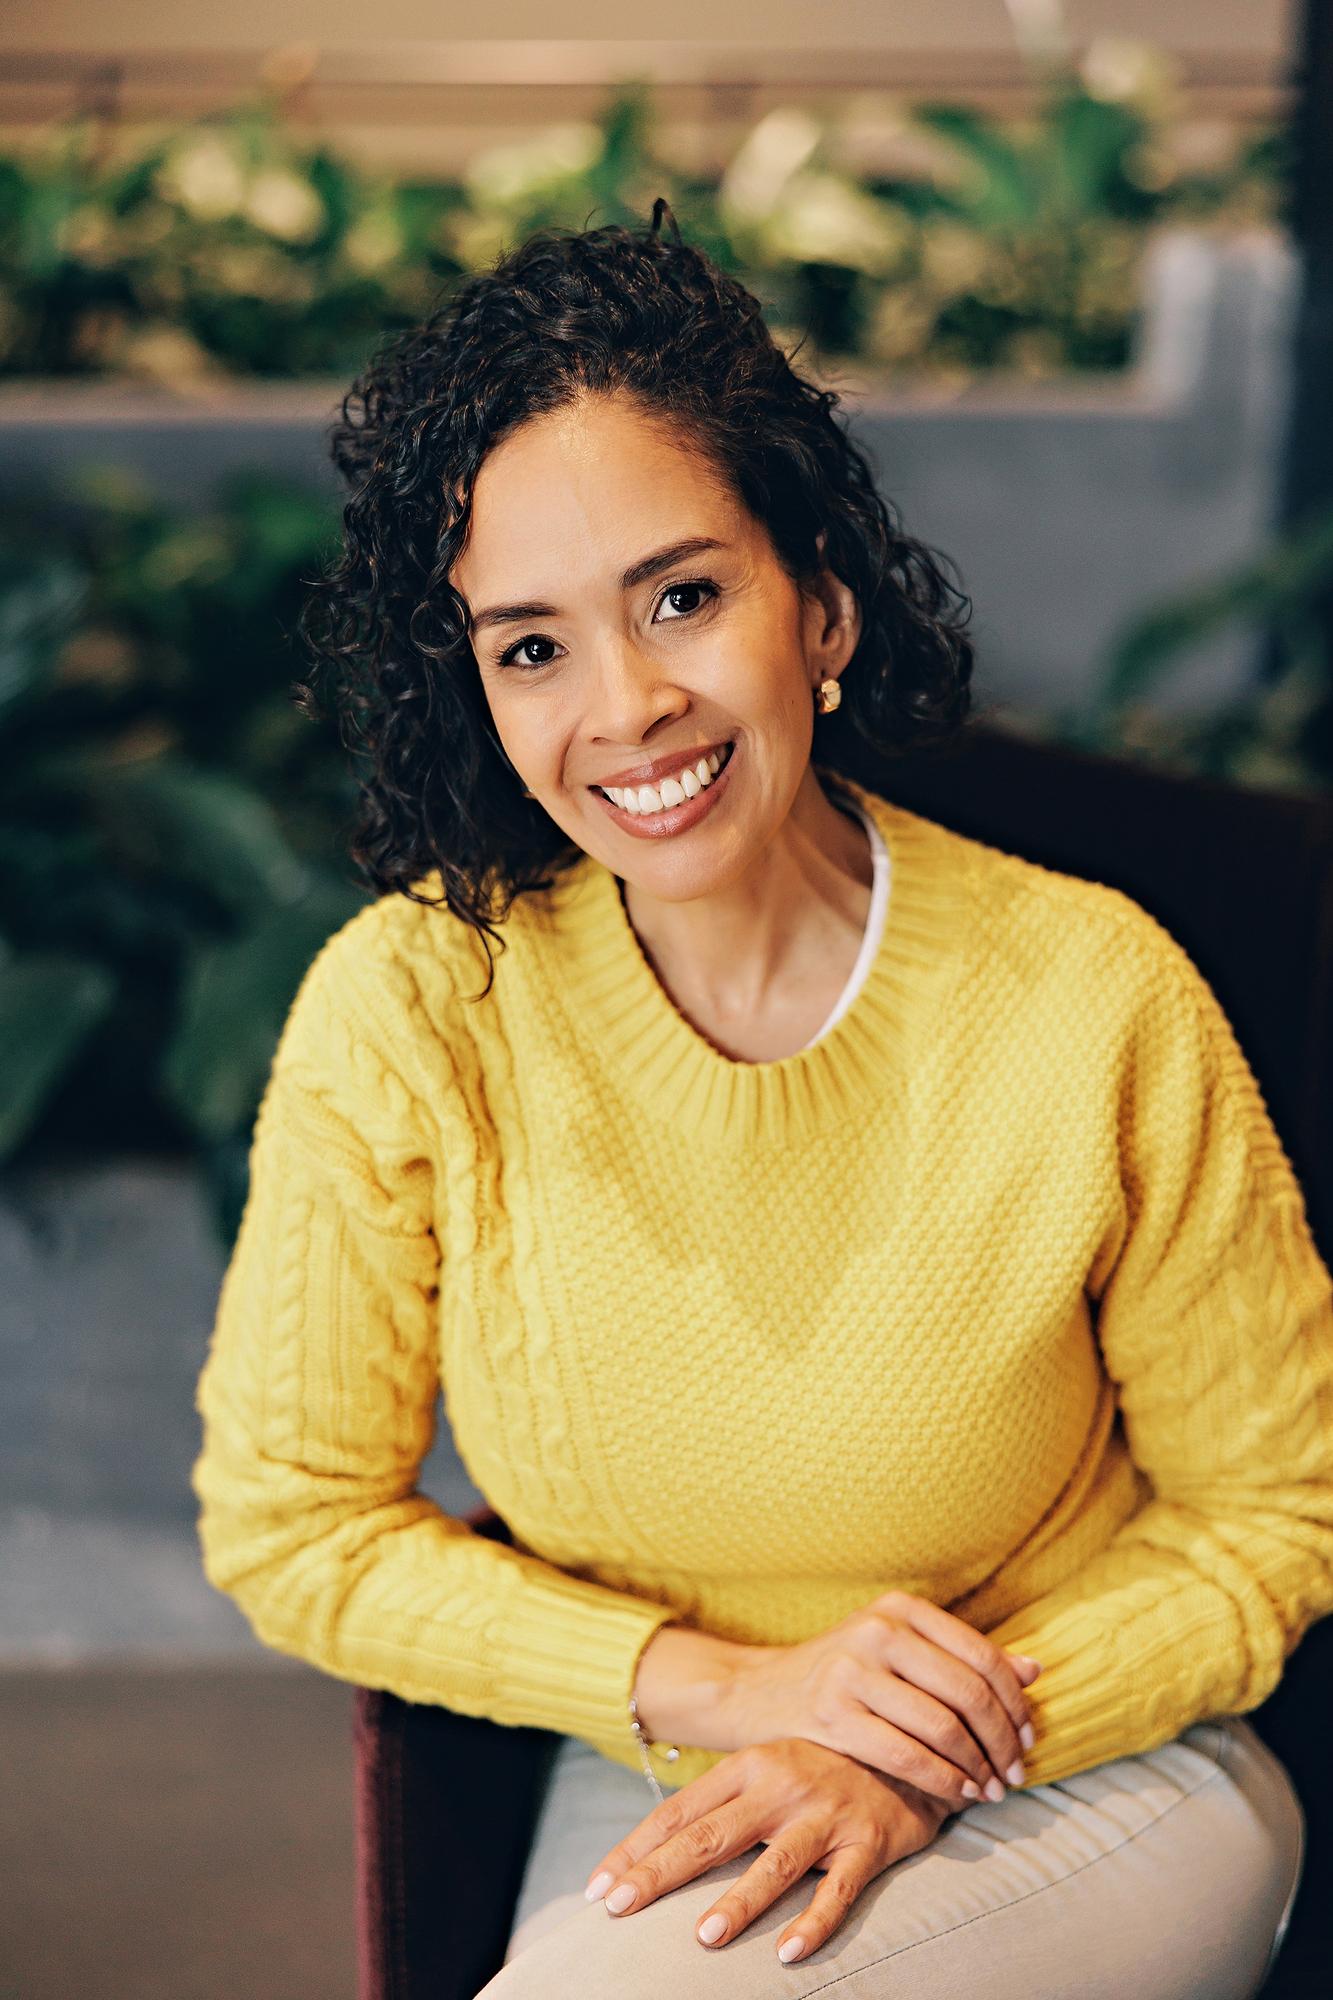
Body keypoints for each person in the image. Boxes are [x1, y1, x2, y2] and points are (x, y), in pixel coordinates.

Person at [191, 201, 1330, 1997]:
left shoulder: (1086, 991)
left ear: (821, 605)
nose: (628, 706)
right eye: (533, 646)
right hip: (672, 1766)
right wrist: (734, 1693)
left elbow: (1275, 1514)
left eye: (682, 597)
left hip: (1084, 1760)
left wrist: (901, 1737)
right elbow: (292, 1524)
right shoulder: (410, 1013)